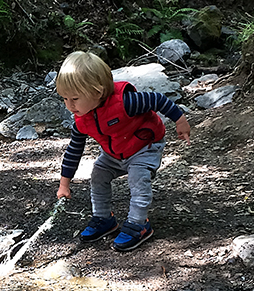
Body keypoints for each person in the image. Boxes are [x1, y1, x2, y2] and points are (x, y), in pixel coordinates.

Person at [54, 50, 190, 251]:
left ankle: (139, 224)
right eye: (64, 99)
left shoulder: (126, 103)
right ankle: (103, 218)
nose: (69, 105)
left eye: (74, 98)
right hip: (115, 152)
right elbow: (74, 150)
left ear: (98, 92)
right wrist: (64, 185)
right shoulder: (81, 120)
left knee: (137, 178)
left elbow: (158, 100)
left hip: (144, 146)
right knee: (99, 173)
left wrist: (180, 121)